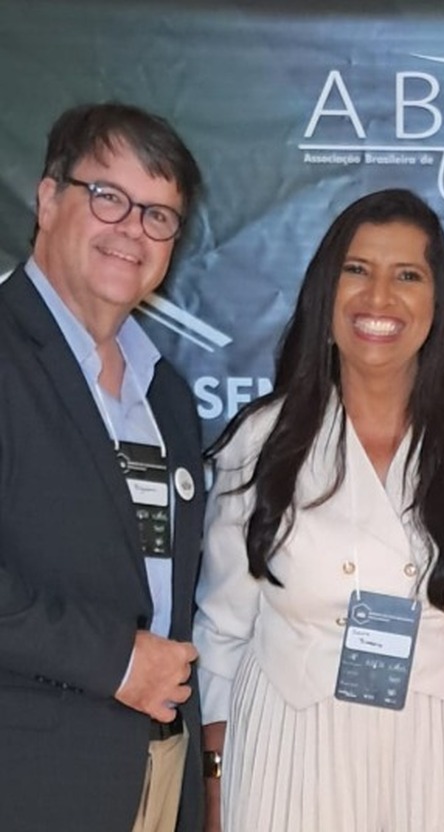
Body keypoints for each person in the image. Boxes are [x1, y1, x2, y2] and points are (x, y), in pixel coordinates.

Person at [193, 188, 444, 832]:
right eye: (357, 270)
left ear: (437, 302)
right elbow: (223, 633)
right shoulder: (259, 443)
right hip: (292, 749)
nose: (379, 298)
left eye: (407, 275)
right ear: (326, 290)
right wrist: (216, 789)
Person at [0, 103, 205, 831]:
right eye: (109, 197)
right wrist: (117, 660)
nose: (132, 230)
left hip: (154, 777)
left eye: (158, 215)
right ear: (49, 198)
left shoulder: (168, 396)